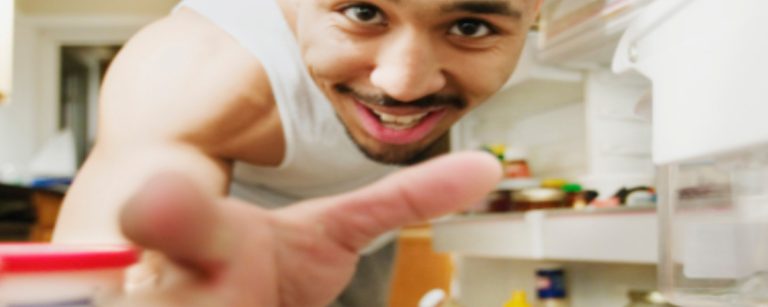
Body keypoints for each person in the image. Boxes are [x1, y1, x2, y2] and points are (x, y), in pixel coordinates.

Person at [52, 0, 542, 306]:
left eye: (471, 27)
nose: (403, 84)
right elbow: (92, 288)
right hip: (229, 250)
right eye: (364, 13)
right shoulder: (194, 69)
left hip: (368, 231)